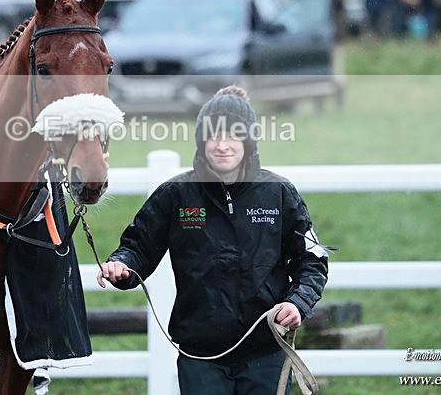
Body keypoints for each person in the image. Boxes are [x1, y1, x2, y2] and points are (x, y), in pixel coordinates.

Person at [98, 86, 329, 394]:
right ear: (200, 141)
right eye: (213, 136)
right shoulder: (175, 195)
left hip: (267, 352)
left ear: (248, 141)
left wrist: (297, 303)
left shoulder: (279, 193)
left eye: (233, 136)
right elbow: (137, 248)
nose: (222, 146)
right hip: (200, 357)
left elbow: (311, 262)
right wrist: (121, 266)